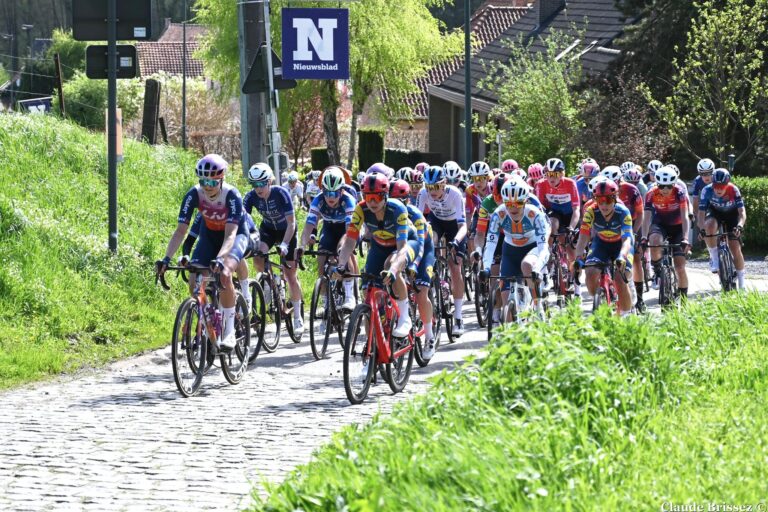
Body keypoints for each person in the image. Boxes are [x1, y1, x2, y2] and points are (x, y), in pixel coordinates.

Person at [156, 154, 246, 350]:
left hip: (235, 235)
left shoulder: (232, 195)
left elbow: (231, 235)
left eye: (212, 181)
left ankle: (229, 331)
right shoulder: (193, 194)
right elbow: (181, 230)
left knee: (224, 274)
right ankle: (208, 317)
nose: (207, 186)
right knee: (195, 279)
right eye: (203, 180)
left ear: (221, 178)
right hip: (210, 235)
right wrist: (166, 258)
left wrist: (221, 260)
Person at [334, 173, 416, 339]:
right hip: (380, 245)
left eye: (376, 197)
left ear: (385, 196)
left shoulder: (397, 209)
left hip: (405, 244)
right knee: (368, 292)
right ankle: (371, 351)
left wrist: (394, 270)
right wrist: (341, 265)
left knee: (390, 264)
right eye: (368, 197)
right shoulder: (361, 209)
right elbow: (350, 241)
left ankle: (405, 316)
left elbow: (401, 249)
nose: (372, 202)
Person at [243, 163, 305, 335]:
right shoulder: (250, 197)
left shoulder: (281, 193)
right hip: (268, 230)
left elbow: (292, 223)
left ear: (270, 181)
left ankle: (298, 316)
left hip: (287, 231)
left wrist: (285, 244)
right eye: (254, 184)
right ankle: (272, 280)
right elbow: (242, 221)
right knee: (258, 257)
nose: (258, 188)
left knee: (291, 274)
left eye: (262, 183)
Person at [480, 179, 551, 314]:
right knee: (507, 306)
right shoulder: (498, 214)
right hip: (510, 252)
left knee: (527, 265)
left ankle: (538, 307)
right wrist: (487, 267)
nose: (513, 208)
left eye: (518, 203)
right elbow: (490, 244)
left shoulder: (534, 214)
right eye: (509, 203)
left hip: (532, 248)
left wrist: (537, 268)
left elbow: (544, 248)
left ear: (525, 201)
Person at [297, 167, 358, 320]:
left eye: (335, 193)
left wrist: (346, 247)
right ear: (322, 190)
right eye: (327, 193)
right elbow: (308, 226)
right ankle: (325, 303)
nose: (331, 197)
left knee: (343, 249)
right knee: (321, 259)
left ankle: (350, 295)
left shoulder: (348, 201)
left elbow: (350, 233)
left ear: (342, 191)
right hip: (329, 227)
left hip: (347, 228)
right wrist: (301, 246)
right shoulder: (318, 200)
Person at [389, 179, 438, 359]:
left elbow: (420, 246)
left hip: (423, 250)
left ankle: (429, 336)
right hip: (401, 249)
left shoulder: (415, 215)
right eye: (392, 199)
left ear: (408, 199)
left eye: (401, 200)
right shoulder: (386, 212)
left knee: (421, 292)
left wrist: (414, 266)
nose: (397, 204)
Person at [572, 179, 635, 316]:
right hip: (602, 243)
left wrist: (622, 256)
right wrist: (578, 257)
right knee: (590, 272)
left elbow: (627, 239)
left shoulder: (623, 212)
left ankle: (625, 315)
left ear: (615, 199)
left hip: (622, 244)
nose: (604, 204)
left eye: (608, 200)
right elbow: (583, 237)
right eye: (600, 200)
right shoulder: (591, 211)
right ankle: (599, 302)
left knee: (619, 278)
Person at [418, 165, 468, 335]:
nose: (432, 191)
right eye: (429, 187)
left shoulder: (455, 194)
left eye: (436, 187)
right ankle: (434, 275)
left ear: (444, 184)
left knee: (455, 267)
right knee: (429, 239)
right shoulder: (423, 193)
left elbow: (463, 226)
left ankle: (459, 318)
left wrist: (456, 241)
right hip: (437, 221)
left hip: (455, 226)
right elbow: (418, 220)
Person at [641, 165, 691, 298]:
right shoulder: (651, 193)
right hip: (660, 224)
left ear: (674, 184)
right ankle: (657, 269)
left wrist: (685, 238)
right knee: (655, 241)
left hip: (678, 227)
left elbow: (685, 217)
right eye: (662, 186)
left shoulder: (680, 192)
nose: (665, 189)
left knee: (680, 267)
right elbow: (646, 218)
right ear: (657, 184)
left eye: (669, 186)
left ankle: (683, 297)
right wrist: (644, 237)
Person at [535, 157, 581, 292]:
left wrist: (571, 228)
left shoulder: (570, 183)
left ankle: (576, 287)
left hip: (570, 216)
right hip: (554, 213)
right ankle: (548, 256)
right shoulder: (541, 185)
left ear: (562, 174)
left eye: (555, 174)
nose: (551, 178)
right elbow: (540, 209)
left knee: (571, 252)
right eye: (548, 174)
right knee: (552, 225)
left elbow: (576, 209)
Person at [697, 169, 747, 288]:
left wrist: (740, 225)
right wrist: (702, 229)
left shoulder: (733, 190)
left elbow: (742, 212)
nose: (718, 189)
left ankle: (742, 283)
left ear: (727, 184)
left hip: (732, 214)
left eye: (722, 186)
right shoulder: (706, 190)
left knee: (735, 248)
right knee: (709, 227)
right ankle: (714, 258)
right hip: (715, 213)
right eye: (716, 186)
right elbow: (701, 214)